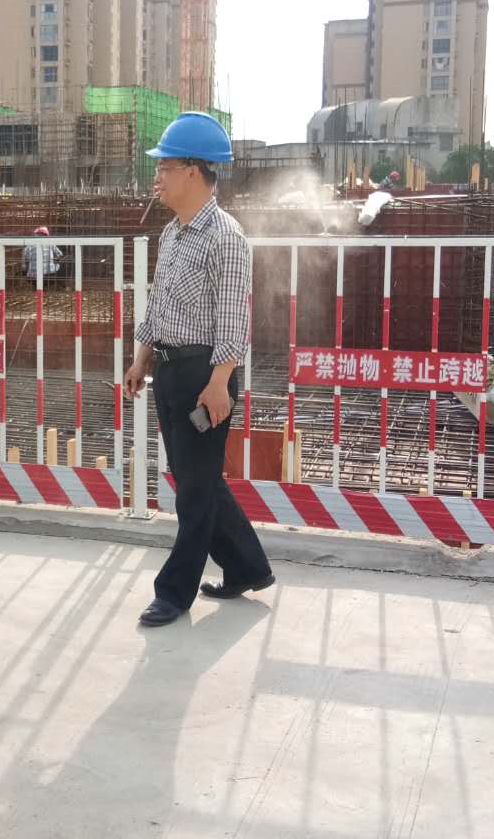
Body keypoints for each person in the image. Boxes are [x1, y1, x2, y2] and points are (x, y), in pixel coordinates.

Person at [124, 112, 273, 628]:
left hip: (205, 373)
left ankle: (173, 592)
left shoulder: (225, 237)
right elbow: (158, 305)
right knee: (196, 479)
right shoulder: (173, 233)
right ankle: (248, 566)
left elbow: (233, 321)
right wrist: (141, 357)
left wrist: (219, 383)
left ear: (192, 171)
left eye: (164, 167)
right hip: (169, 370)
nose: (157, 177)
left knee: (194, 488)